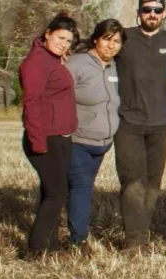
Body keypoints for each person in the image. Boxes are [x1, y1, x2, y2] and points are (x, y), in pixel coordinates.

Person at [113, 0, 166, 251]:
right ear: (138, 12)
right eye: (147, 10)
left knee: (152, 183)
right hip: (128, 121)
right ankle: (134, 240)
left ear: (164, 13)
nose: (152, 14)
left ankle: (142, 233)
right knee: (132, 181)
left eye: (157, 10)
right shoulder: (123, 37)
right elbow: (92, 47)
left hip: (161, 123)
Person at [18, 13, 79, 256]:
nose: (63, 44)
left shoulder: (52, 59)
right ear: (47, 33)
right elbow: (31, 103)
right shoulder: (36, 62)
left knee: (50, 191)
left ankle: (51, 243)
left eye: (68, 41)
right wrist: (38, 141)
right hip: (46, 137)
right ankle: (35, 248)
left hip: (62, 136)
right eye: (60, 38)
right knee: (57, 192)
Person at [64, 19, 125, 251]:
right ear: (96, 39)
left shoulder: (114, 67)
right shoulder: (76, 64)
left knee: (79, 188)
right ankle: (78, 239)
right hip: (78, 140)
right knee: (81, 187)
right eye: (107, 39)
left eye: (117, 41)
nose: (111, 46)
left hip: (102, 143)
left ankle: (71, 231)